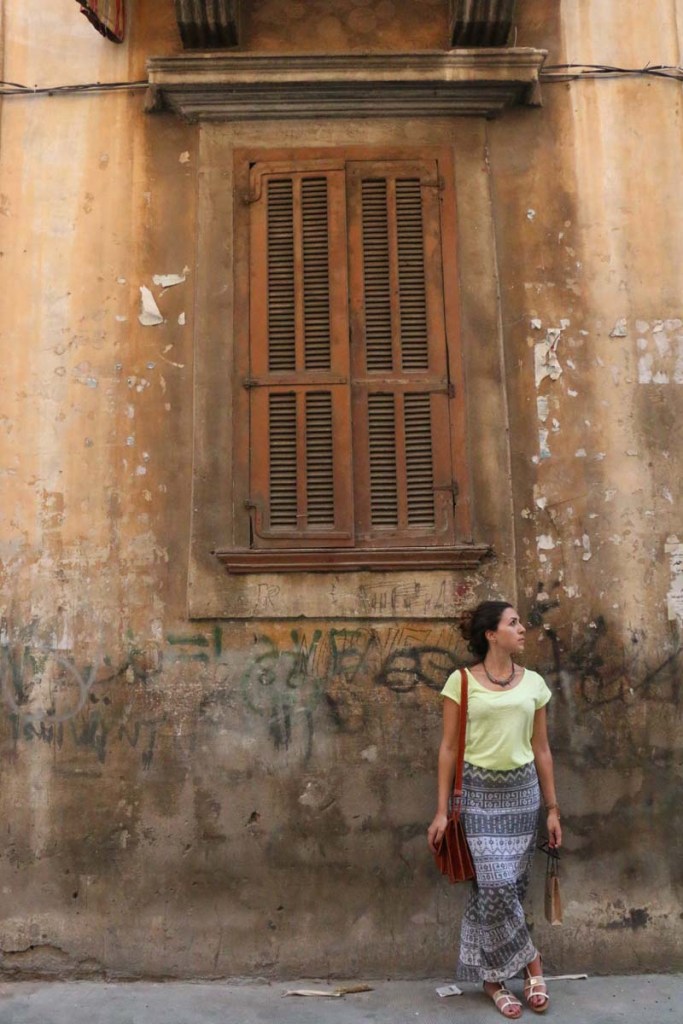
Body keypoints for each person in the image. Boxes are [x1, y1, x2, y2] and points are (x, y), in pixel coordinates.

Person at [427, 601, 562, 1019]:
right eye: (513, 623)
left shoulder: (534, 683)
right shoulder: (461, 682)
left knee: (503, 892)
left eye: (519, 622)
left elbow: (541, 748)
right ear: (491, 634)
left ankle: (493, 980)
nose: (522, 629)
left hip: (523, 797)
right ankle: (533, 965)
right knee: (498, 884)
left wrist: (553, 809)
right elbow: (449, 748)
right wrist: (441, 810)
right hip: (478, 799)